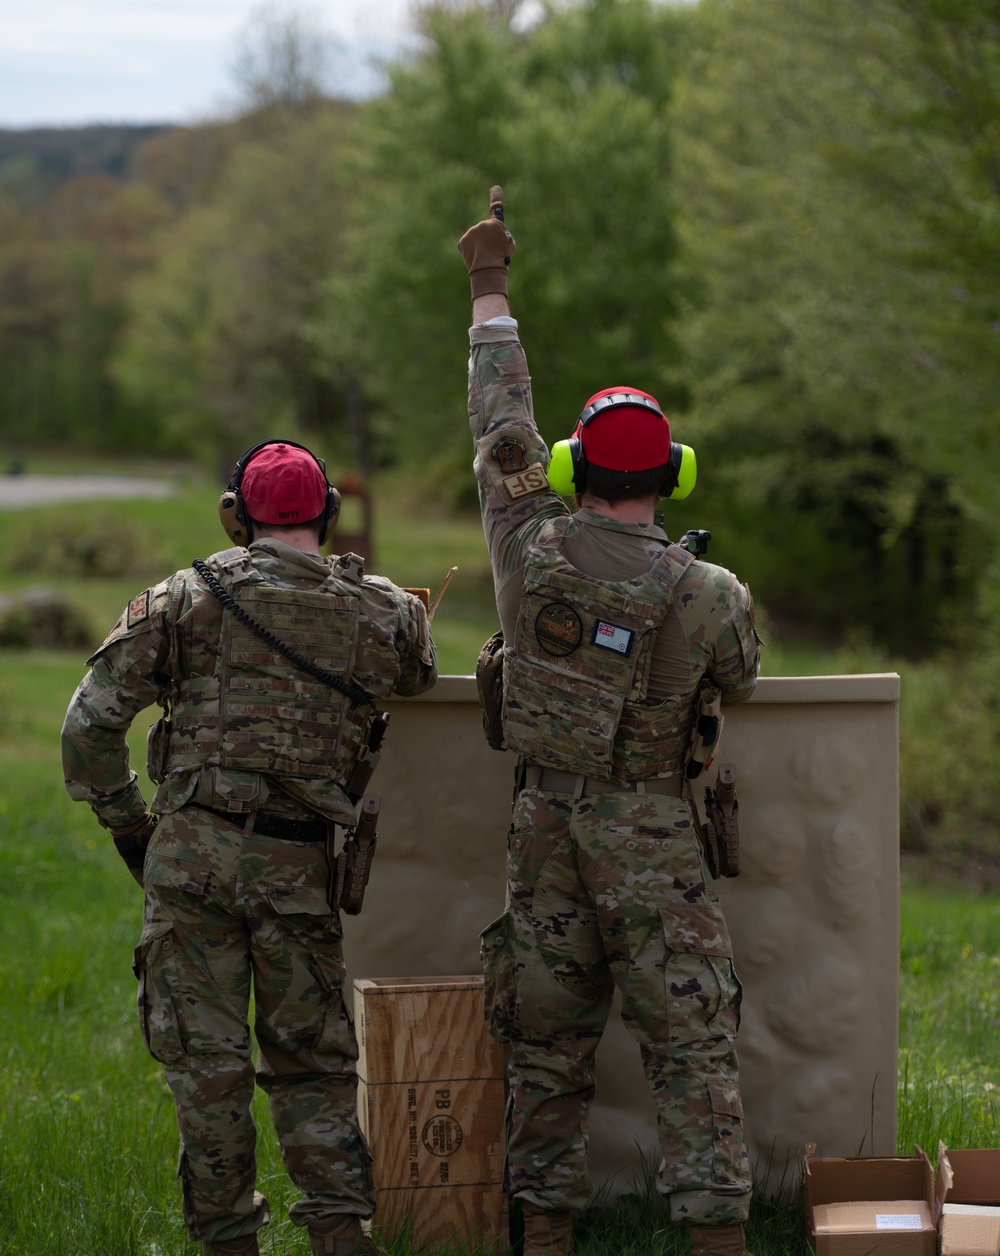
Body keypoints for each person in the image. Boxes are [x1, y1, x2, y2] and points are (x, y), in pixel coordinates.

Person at [459, 192, 761, 1256]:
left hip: (542, 833)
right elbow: (744, 674)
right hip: (652, 840)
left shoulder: (520, 547)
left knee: (544, 1051)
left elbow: (500, 422)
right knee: (692, 1051)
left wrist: (490, 289)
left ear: (568, 472)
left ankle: (541, 1239)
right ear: (673, 476)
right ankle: (715, 1241)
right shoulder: (711, 591)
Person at [62, 440, 437, 1256]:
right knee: (313, 1062)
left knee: (208, 1066)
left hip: (191, 861)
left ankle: (228, 1239)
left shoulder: (183, 597)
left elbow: (87, 725)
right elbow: (417, 672)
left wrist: (130, 822)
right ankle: (340, 1231)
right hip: (299, 866)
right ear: (330, 513)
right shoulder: (382, 610)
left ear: (235, 516)